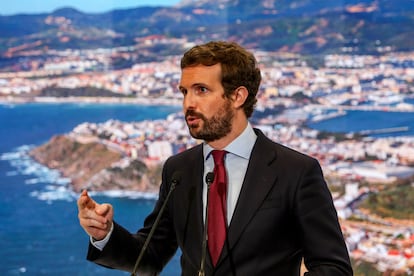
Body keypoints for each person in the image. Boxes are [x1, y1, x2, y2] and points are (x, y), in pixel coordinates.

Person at [77, 41, 353, 275]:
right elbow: (149, 256)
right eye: (184, 92)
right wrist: (104, 234)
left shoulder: (295, 171)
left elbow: (333, 267)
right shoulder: (178, 169)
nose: (188, 103)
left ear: (237, 96)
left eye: (202, 90)